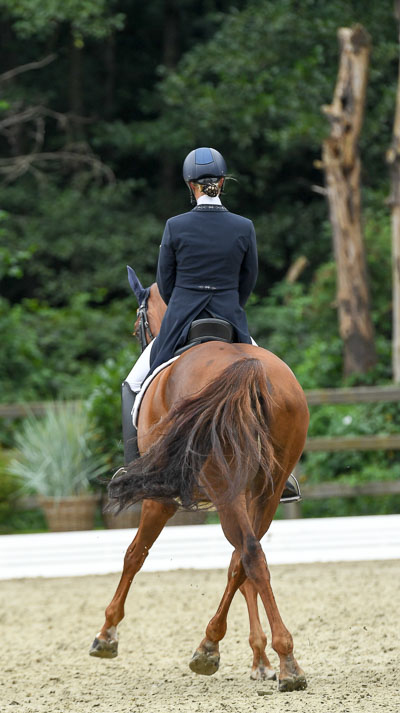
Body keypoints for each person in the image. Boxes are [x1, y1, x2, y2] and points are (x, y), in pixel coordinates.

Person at [120, 146, 300, 502]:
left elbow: (165, 284)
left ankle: (132, 468)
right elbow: (248, 280)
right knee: (275, 382)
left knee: (133, 383)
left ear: (192, 186)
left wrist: (186, 303)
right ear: (221, 182)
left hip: (181, 320)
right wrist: (229, 304)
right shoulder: (243, 227)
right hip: (229, 319)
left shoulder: (175, 226)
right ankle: (284, 472)